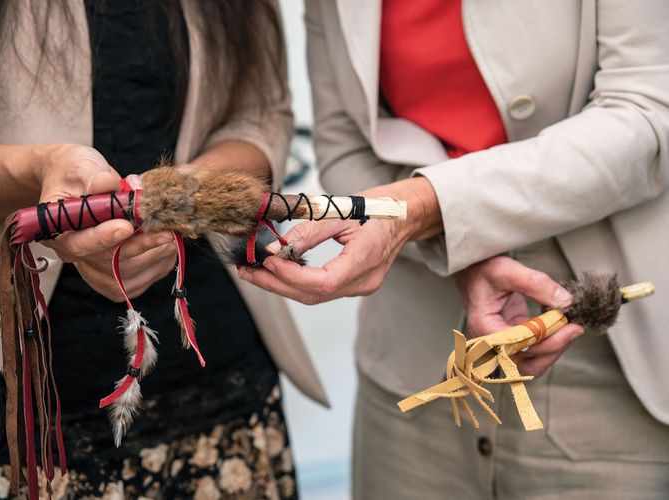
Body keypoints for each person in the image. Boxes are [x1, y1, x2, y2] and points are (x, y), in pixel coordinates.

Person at [240, 0, 669, 498]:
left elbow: (648, 112)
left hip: (605, 342)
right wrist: (455, 244)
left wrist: (425, 208)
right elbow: (344, 144)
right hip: (414, 354)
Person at [0, 1, 328, 498]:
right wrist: (36, 171)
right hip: (9, 421)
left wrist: (186, 196)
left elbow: (260, 116)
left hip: (219, 387)